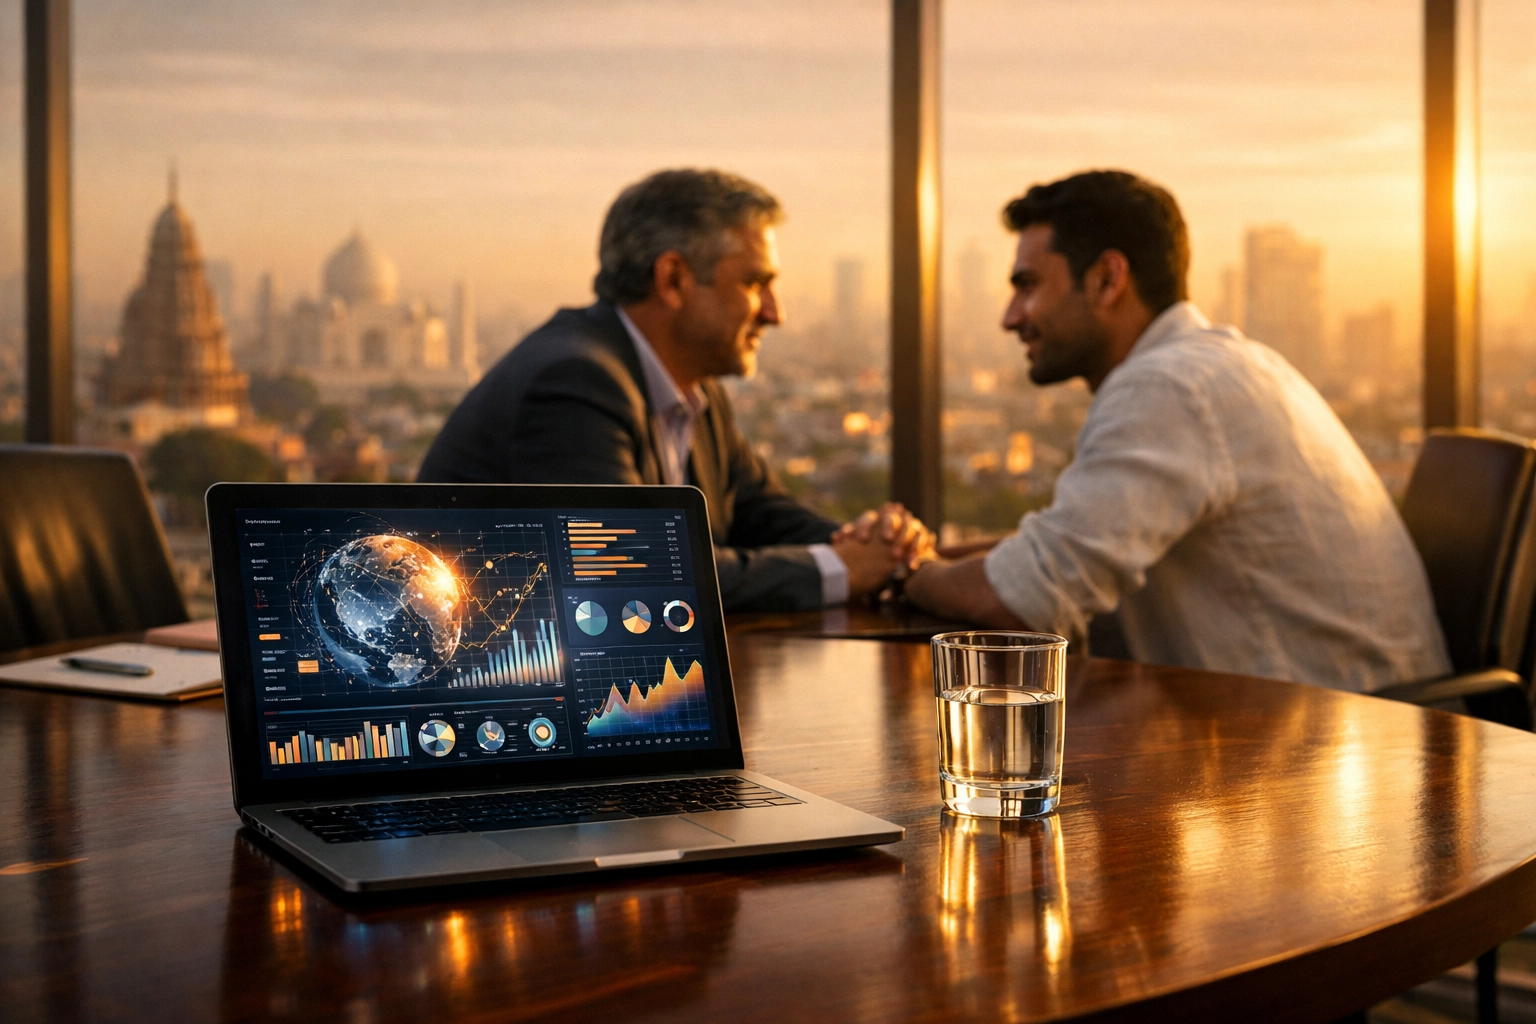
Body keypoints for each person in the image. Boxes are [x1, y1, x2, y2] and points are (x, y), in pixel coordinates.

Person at [904, 170, 1450, 692]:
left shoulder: (1168, 388)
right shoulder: (1219, 366)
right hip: (1366, 721)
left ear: (1107, 279)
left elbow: (1026, 599)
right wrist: (931, 556)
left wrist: (901, 572)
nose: (1010, 316)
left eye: (1027, 286)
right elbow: (1059, 550)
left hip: (1354, 738)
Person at [419, 168, 929, 611]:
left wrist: (881, 548)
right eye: (755, 284)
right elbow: (632, 577)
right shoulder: (574, 385)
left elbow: (758, 512)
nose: (776, 313)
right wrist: (842, 569)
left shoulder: (694, 387)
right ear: (674, 280)